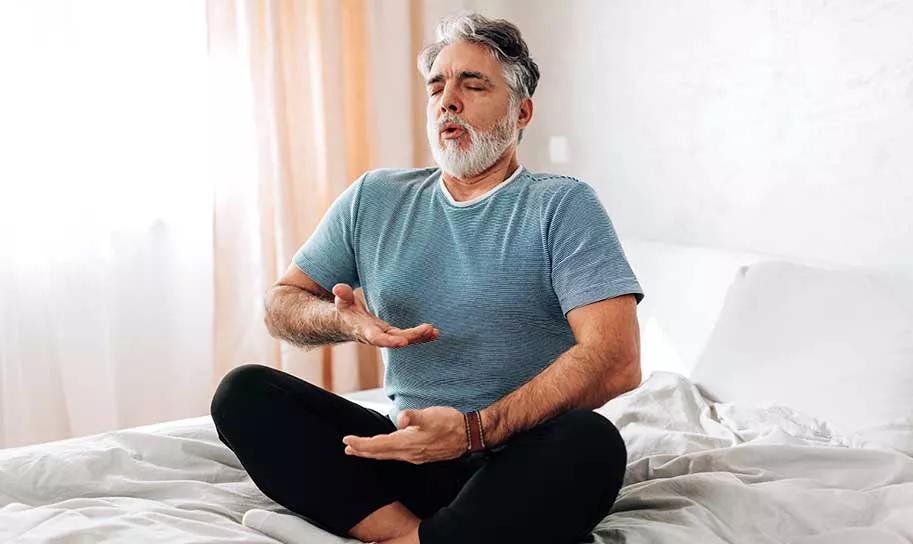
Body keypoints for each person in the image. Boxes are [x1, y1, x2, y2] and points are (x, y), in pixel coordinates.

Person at [210, 12, 644, 544]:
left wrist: (472, 432)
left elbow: (617, 360)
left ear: (521, 111)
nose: (448, 101)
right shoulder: (375, 196)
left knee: (592, 442)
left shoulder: (562, 205)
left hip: (511, 462)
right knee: (244, 393)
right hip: (404, 454)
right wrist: (341, 320)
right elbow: (283, 303)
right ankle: (404, 534)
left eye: (473, 84)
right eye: (437, 86)